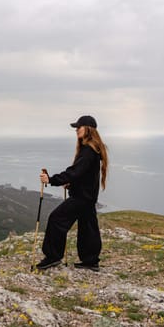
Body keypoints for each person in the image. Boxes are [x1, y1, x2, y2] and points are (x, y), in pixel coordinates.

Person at [36, 115, 108, 271]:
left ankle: (53, 257)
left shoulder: (88, 150)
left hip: (82, 198)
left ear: (88, 129)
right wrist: (72, 184)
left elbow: (74, 172)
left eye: (79, 127)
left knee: (56, 219)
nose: (76, 130)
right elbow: (84, 175)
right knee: (88, 227)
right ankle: (90, 260)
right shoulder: (93, 149)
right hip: (88, 197)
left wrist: (51, 179)